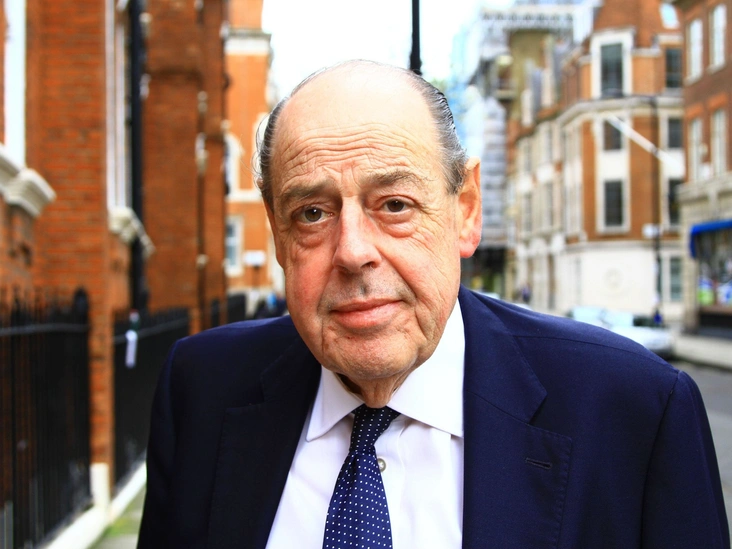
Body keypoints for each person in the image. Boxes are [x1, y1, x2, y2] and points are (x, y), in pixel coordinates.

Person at [137, 61, 729, 548]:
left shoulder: (636, 413)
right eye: (312, 213)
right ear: (276, 233)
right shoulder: (202, 389)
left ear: (465, 210)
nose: (353, 252)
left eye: (394, 205)